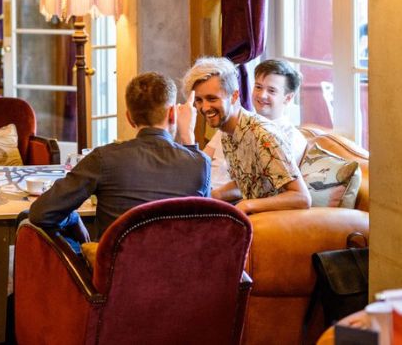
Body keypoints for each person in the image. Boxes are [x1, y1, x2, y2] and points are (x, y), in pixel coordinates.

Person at [29, 72, 211, 240]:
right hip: (179, 272)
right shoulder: (200, 164)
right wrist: (188, 136)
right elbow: (206, 225)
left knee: (28, 220)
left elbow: (41, 213)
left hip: (118, 272)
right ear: (172, 114)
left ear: (129, 118)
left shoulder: (103, 158)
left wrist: (74, 219)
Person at [182, 57, 311, 214]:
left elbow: (302, 197)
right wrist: (213, 196)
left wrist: (247, 205)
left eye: (212, 98)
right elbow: (247, 182)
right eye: (199, 100)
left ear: (235, 96)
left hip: (272, 223)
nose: (205, 107)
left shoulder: (264, 135)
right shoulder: (227, 131)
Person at [204, 59, 307, 188]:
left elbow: (266, 187)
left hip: (232, 202)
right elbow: (202, 162)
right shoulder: (234, 121)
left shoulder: (291, 138)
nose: (262, 95)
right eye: (258, 87)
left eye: (271, 91)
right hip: (204, 193)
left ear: (288, 98)